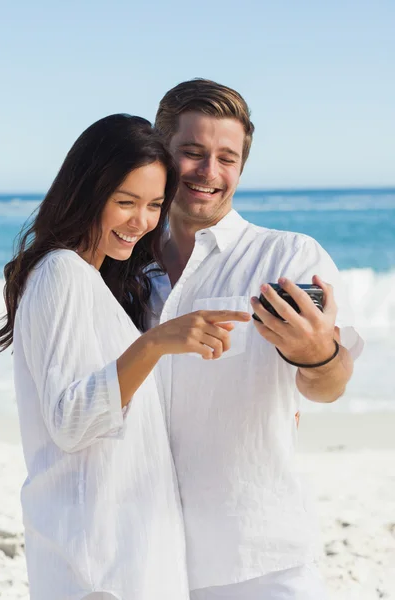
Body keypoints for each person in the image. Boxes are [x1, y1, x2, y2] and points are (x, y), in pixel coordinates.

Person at [0, 114, 250, 600]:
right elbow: (70, 421)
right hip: (97, 564)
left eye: (155, 204)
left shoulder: (94, 283)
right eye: (125, 202)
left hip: (120, 554)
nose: (142, 221)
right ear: (87, 193)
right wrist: (155, 343)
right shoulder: (61, 273)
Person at [150, 79, 364, 599]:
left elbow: (330, 386)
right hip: (144, 556)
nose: (209, 173)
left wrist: (317, 355)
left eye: (227, 158)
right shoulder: (119, 265)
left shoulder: (288, 257)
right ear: (159, 154)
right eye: (193, 153)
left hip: (259, 555)